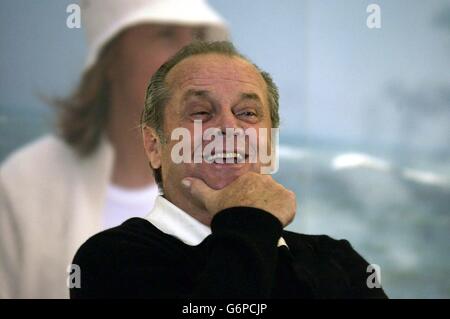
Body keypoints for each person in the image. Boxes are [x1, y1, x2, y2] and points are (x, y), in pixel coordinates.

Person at [70, 41, 388, 298]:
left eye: (248, 113)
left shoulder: (339, 260)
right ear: (154, 145)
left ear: (270, 146)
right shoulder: (108, 260)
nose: (228, 128)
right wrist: (250, 222)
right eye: (200, 112)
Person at [0, 0, 228, 298]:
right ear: (110, 58)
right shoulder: (24, 184)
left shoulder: (226, 188)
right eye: (166, 34)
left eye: (198, 35)